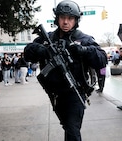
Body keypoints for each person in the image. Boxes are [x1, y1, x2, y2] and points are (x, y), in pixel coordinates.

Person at [24, 1, 107, 140]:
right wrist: (38, 50)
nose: (66, 22)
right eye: (62, 17)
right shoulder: (47, 38)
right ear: (57, 18)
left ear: (76, 20)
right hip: (55, 94)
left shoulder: (83, 39)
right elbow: (27, 54)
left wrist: (84, 51)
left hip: (75, 92)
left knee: (72, 129)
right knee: (67, 125)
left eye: (70, 18)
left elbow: (102, 59)